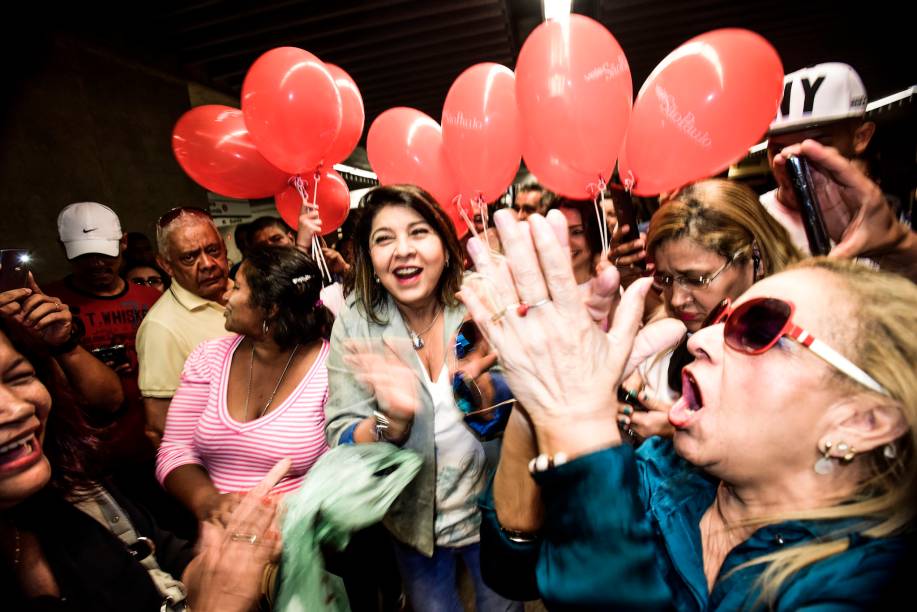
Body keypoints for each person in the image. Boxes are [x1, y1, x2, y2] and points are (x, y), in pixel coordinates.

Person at [461, 209, 915, 609]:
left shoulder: (870, 581)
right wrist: (536, 404)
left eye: (758, 329)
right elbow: (514, 573)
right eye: (722, 319)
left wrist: (577, 423)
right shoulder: (662, 472)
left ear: (862, 421)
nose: (700, 340)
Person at [324, 184, 522, 611]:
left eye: (418, 232)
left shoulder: (479, 301)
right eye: (384, 239)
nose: (403, 250)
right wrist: (388, 422)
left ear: (446, 247)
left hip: (496, 510)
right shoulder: (357, 322)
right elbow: (340, 434)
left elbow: (525, 399)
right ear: (370, 259)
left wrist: (485, 393)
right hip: (412, 525)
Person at [0, 325, 289, 612]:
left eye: (18, 376)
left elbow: (162, 561)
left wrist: (226, 564)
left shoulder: (76, 492)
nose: (17, 408)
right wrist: (219, 605)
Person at [156, 246, 332, 524]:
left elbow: (348, 463)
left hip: (300, 532)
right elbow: (175, 448)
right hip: (216, 536)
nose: (225, 295)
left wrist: (286, 512)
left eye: (237, 287)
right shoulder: (209, 357)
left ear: (270, 308)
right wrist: (209, 502)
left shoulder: (331, 368)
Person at [619, 179, 800, 440]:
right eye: (666, 279)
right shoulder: (669, 336)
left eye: (696, 279)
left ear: (756, 259)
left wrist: (685, 431)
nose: (677, 300)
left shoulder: (794, 347)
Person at [43, 202, 162, 460]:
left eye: (104, 253)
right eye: (83, 256)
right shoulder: (48, 304)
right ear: (63, 248)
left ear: (123, 242)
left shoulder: (152, 299)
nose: (96, 264)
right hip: (89, 450)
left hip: (155, 442)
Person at [136, 207, 231, 447]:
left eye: (213, 250)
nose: (207, 264)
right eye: (189, 257)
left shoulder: (248, 294)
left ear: (224, 247)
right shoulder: (160, 327)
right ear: (166, 265)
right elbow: (161, 426)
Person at [762, 63, 876, 255]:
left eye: (815, 146)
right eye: (778, 149)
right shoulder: (750, 222)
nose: (792, 161)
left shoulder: (875, 215)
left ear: (861, 137)